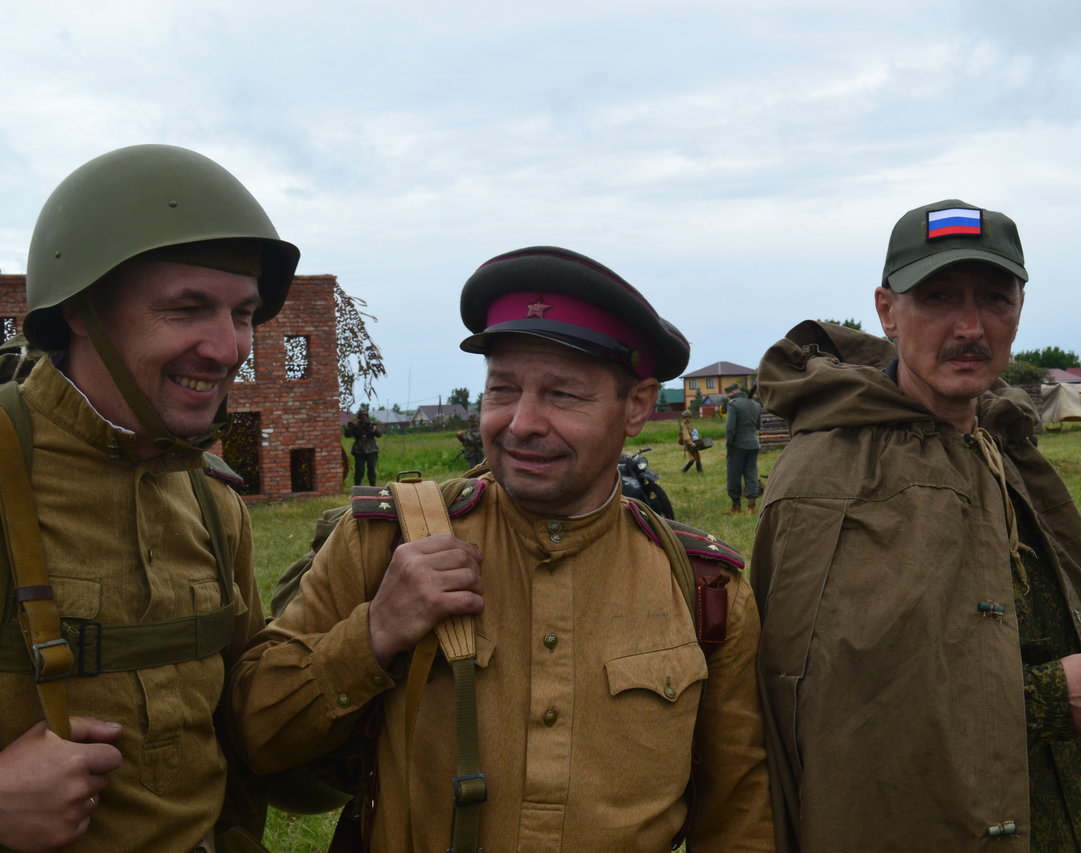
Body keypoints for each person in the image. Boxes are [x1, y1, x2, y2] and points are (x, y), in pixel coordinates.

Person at [230, 246, 773, 852]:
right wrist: (376, 632)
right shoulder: (387, 540)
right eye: (503, 389)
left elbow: (740, 813)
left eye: (563, 395)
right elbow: (257, 734)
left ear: (638, 406)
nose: (521, 423)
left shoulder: (705, 587)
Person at [752, 200, 1081, 852]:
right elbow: (843, 710)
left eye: (995, 298)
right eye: (939, 297)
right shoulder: (826, 479)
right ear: (887, 310)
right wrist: (1046, 700)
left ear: (1020, 308)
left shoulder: (1004, 444)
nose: (971, 326)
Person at [0, 144, 299, 852]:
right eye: (187, 309)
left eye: (243, 313)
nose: (228, 348)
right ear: (81, 310)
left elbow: (249, 719)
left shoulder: (212, 500)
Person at [723, 383, 761, 513]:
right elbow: (758, 425)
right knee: (751, 474)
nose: (728, 397)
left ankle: (736, 506)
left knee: (734, 475)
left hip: (738, 445)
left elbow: (730, 429)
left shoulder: (733, 404)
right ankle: (751, 507)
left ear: (732, 393)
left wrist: (729, 444)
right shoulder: (756, 404)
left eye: (728, 395)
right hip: (753, 444)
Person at [344, 406, 382, 485]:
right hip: (359, 450)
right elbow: (347, 435)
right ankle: (357, 485)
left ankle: (372, 485)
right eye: (361, 416)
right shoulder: (355, 425)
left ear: (367, 416)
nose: (363, 417)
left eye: (364, 416)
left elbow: (379, 435)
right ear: (359, 417)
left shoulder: (370, 425)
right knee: (359, 470)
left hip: (371, 449)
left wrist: (375, 430)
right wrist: (352, 427)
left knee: (371, 469)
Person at [678, 409, 703, 473]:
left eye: (689, 417)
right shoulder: (683, 425)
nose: (688, 418)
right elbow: (686, 435)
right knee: (692, 459)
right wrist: (690, 442)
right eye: (686, 417)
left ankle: (700, 472)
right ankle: (683, 471)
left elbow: (693, 433)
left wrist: (699, 438)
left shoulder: (689, 424)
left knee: (697, 457)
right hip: (688, 444)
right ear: (684, 417)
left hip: (693, 442)